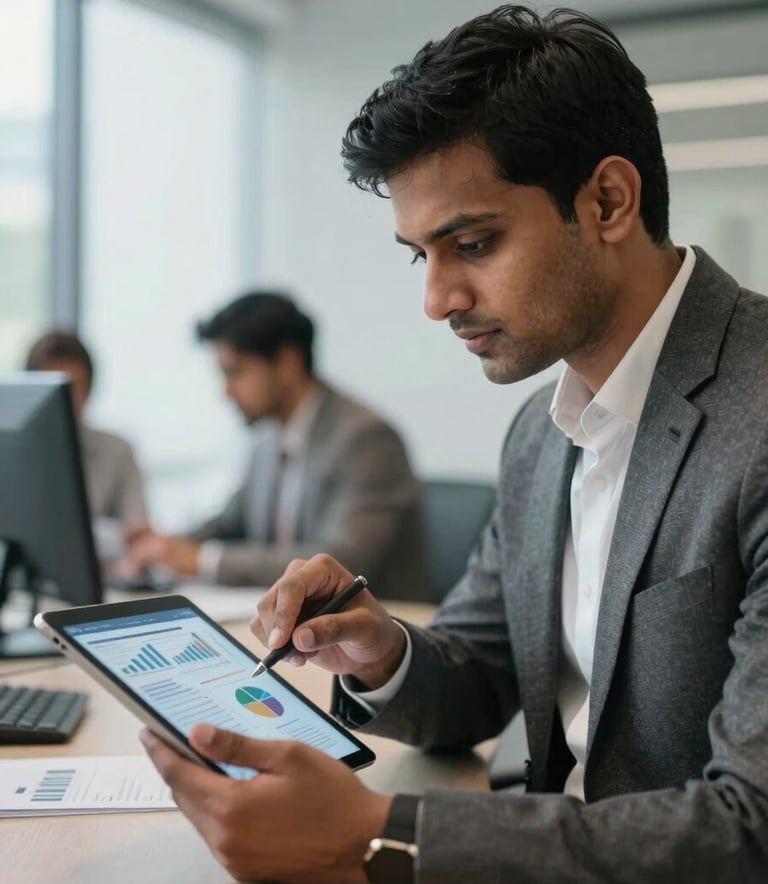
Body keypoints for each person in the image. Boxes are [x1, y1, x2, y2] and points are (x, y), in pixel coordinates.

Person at [140, 6, 768, 883]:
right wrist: (382, 652)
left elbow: (750, 829)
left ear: (608, 202)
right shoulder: (540, 432)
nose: (437, 301)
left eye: (472, 244)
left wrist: (381, 831)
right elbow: (479, 671)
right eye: (419, 256)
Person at [128, 291, 427, 600]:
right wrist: (164, 546)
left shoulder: (365, 438)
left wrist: (205, 561)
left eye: (235, 372)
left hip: (378, 621)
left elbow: (340, 561)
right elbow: (231, 521)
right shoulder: (270, 436)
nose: (225, 392)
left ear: (287, 363)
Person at [25, 330, 150, 554]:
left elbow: (137, 536)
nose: (64, 401)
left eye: (73, 388)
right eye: (52, 391)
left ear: (89, 389)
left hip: (104, 571)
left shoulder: (117, 451)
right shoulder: (14, 454)